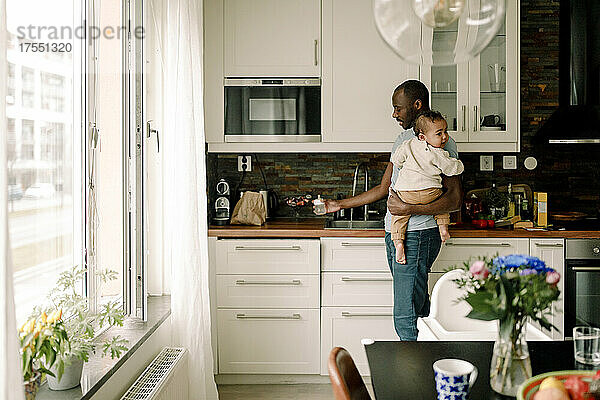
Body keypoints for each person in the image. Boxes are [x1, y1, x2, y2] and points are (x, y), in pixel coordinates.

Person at [319, 80, 462, 341]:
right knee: (417, 305)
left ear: (417, 105)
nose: (394, 114)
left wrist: (408, 207)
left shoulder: (440, 141)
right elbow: (386, 187)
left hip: (418, 235)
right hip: (395, 232)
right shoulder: (403, 140)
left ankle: (412, 376)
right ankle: (430, 364)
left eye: (398, 108)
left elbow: (454, 200)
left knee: (405, 313)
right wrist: (338, 205)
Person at [390, 110, 464, 264]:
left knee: (399, 217)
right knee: (440, 204)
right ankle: (443, 228)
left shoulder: (407, 144)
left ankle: (398, 243)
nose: (444, 137)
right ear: (423, 137)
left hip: (406, 193)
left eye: (445, 131)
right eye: (439, 133)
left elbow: (396, 160)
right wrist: (459, 165)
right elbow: (451, 168)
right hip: (430, 192)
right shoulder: (437, 153)